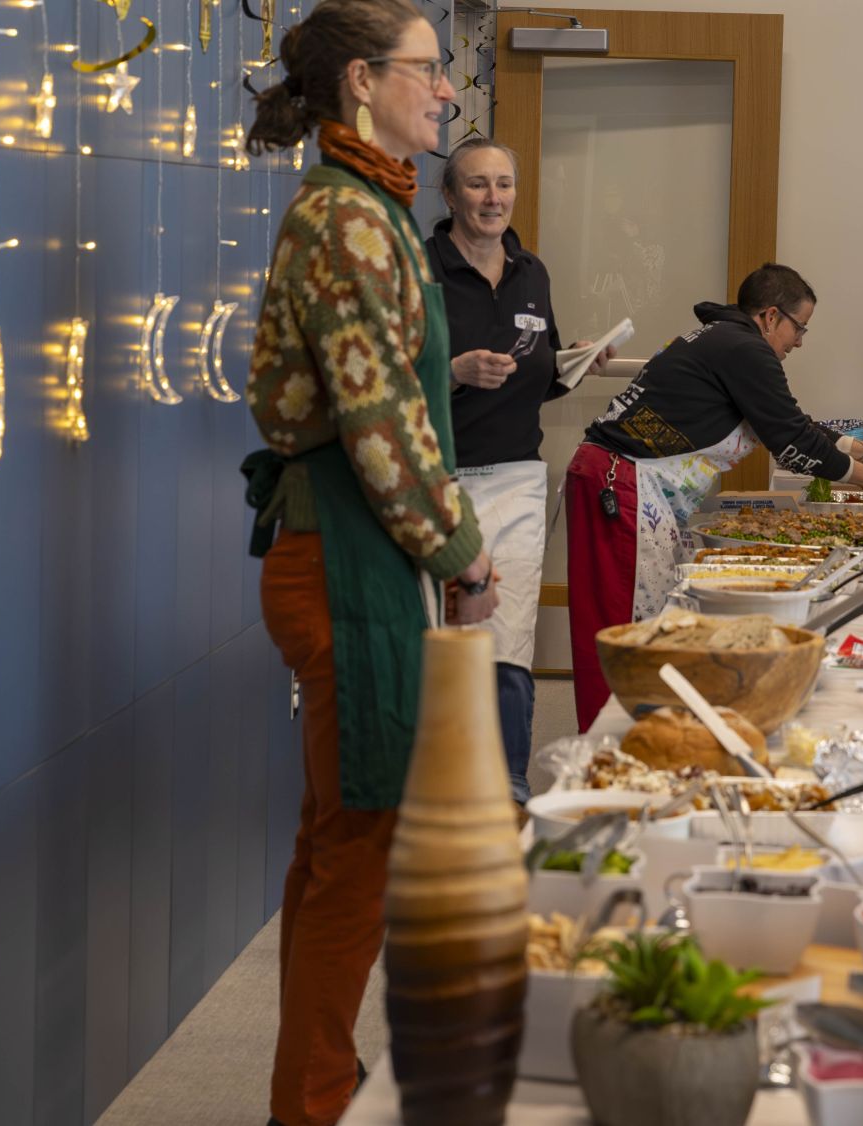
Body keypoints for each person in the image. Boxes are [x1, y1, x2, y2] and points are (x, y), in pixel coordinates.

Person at [239, 5, 488, 1124]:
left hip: (367, 556)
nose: (446, 92)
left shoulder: (372, 207)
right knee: (363, 847)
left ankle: (317, 1088)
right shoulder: (344, 219)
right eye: (430, 72)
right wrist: (463, 550)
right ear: (360, 83)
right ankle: (314, 1103)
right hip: (341, 558)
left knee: (340, 840)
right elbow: (381, 424)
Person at [563, 264, 863, 727]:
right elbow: (790, 439)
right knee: (623, 635)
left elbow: (790, 420)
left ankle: (643, 738)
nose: (800, 341)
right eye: (800, 327)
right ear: (772, 317)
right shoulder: (745, 349)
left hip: (624, 485)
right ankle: (613, 753)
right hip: (618, 488)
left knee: (646, 627)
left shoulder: (726, 339)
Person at [426, 137, 610, 803]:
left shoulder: (532, 271)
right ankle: (441, 783)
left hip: (518, 478)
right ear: (449, 196)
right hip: (438, 480)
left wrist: (573, 363)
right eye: (477, 185)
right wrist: (453, 372)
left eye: (503, 184)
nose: (493, 198)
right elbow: (386, 385)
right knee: (448, 635)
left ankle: (508, 785)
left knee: (509, 633)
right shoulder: (421, 272)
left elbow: (541, 374)